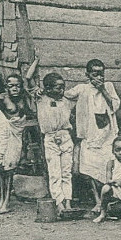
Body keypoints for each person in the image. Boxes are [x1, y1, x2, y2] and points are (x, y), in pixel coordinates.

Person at [65, 59, 121, 213]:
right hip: (89, 135)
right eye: (95, 73)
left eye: (101, 73)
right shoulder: (82, 88)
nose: (99, 77)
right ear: (87, 74)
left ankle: (108, 201)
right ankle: (97, 201)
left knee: (106, 168)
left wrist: (103, 89)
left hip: (107, 135)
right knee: (89, 170)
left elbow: (115, 106)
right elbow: (65, 95)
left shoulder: (108, 86)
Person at [0, 73, 36, 215]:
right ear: (6, 87)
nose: (14, 88)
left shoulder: (24, 100)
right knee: (0, 169)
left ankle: (6, 202)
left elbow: (31, 114)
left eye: (18, 86)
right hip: (1, 136)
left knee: (9, 170)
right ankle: (2, 201)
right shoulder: (1, 99)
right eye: (11, 86)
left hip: (15, 137)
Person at [36, 72, 74, 214]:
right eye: (58, 88)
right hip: (51, 138)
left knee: (66, 172)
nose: (61, 91)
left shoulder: (66, 100)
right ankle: (59, 204)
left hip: (65, 137)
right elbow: (28, 81)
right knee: (55, 173)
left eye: (63, 87)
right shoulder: (41, 99)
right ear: (48, 88)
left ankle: (68, 203)